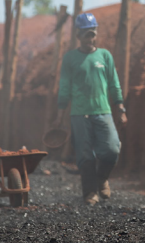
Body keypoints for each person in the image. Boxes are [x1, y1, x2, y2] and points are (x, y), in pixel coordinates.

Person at [53, 12, 128, 205]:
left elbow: (114, 83)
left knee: (112, 149)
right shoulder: (70, 58)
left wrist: (120, 108)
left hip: (103, 112)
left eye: (93, 33)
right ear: (78, 35)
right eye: (86, 34)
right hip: (79, 114)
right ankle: (90, 193)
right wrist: (60, 115)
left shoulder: (105, 56)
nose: (90, 37)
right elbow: (64, 88)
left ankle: (102, 178)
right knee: (85, 155)